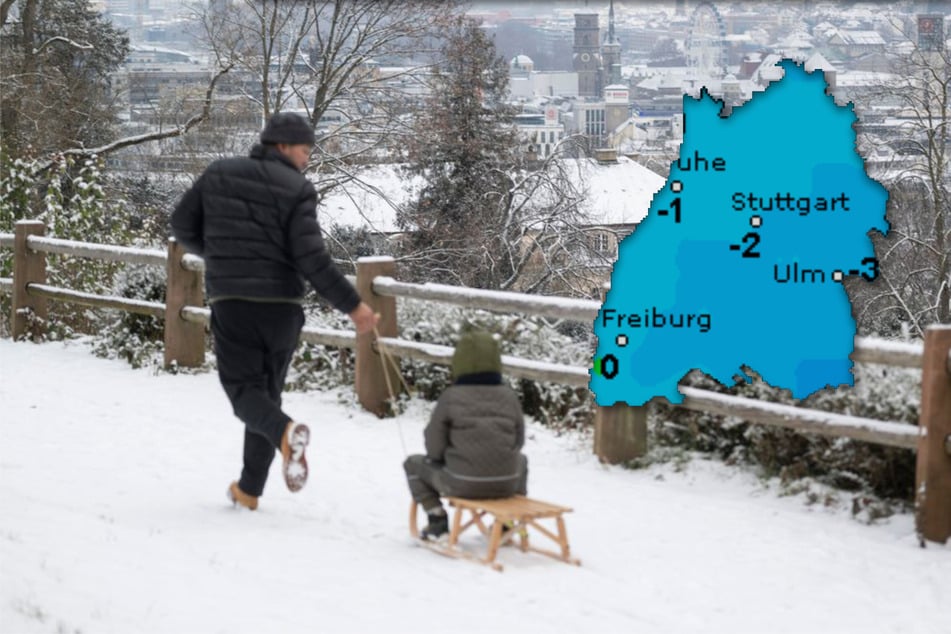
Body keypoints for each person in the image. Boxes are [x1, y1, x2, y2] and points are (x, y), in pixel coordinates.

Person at [171, 111, 378, 511]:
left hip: (233, 304)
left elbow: (182, 225)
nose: (307, 159)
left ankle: (284, 434)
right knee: (265, 396)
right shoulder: (297, 188)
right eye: (304, 150)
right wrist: (353, 306)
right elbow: (312, 258)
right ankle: (249, 489)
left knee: (246, 394)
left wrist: (217, 255)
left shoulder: (218, 174)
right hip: (282, 310)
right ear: (281, 145)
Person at [403, 330, 528, 539]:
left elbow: (434, 444)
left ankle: (437, 519)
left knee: (412, 464)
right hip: (508, 482)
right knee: (521, 460)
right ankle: (508, 520)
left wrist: (440, 459)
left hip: (460, 481)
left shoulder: (451, 397)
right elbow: (519, 441)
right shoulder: (509, 397)